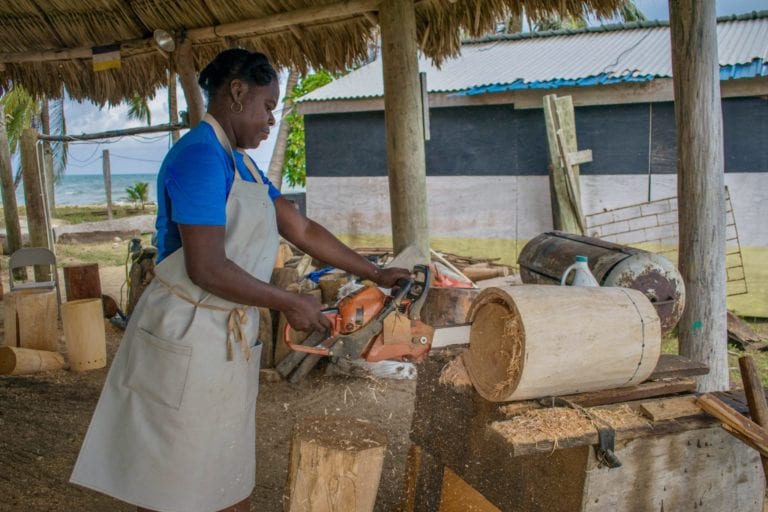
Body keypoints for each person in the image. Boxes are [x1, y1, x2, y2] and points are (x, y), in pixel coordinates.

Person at [70, 48, 410, 512]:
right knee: (171, 481)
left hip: (224, 334)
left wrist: (374, 271)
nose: (271, 120)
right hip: (185, 330)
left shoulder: (242, 164)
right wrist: (287, 301)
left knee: (226, 473)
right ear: (236, 92)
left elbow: (303, 229)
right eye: (268, 106)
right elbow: (205, 267)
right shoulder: (199, 157)